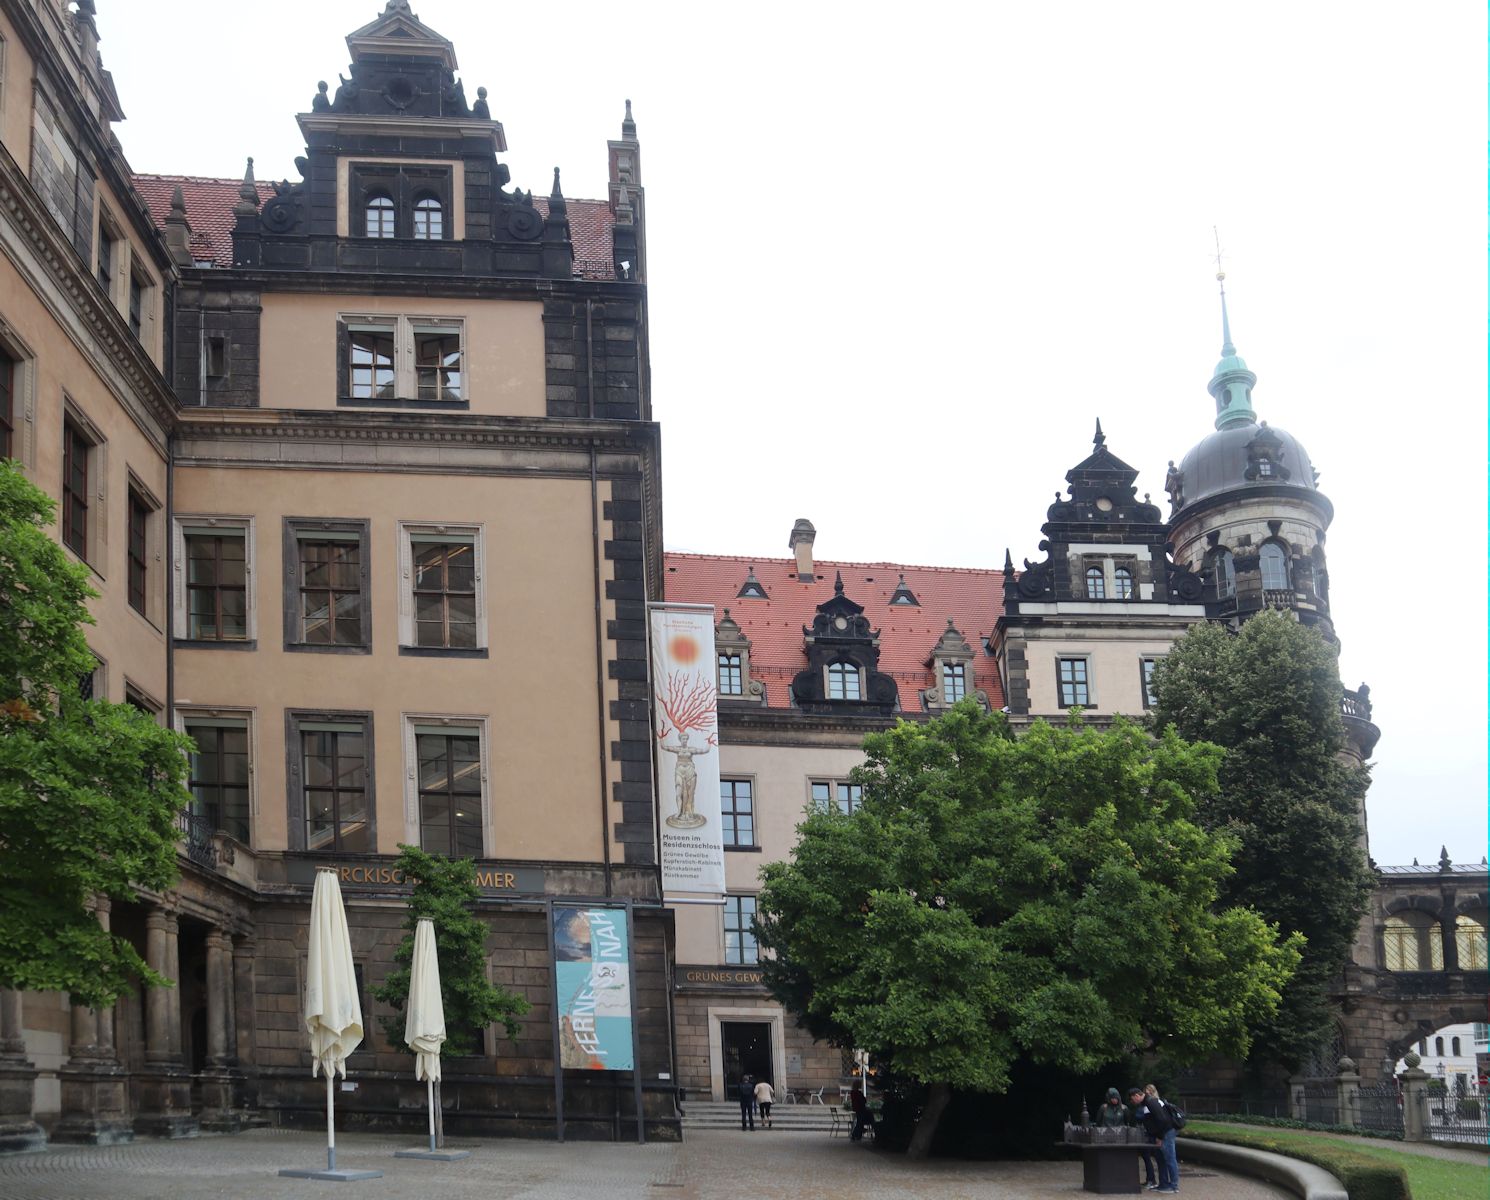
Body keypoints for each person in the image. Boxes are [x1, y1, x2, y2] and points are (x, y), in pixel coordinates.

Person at [1129, 1085, 1179, 1194]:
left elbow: (1163, 1120)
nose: (1133, 1102)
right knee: (1161, 1159)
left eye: (1132, 1099)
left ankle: (1174, 1185)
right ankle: (1164, 1184)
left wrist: (1160, 1137)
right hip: (1163, 1133)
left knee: (1169, 1158)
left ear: (1137, 1095)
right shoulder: (1148, 1102)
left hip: (1166, 1132)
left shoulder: (1151, 1102)